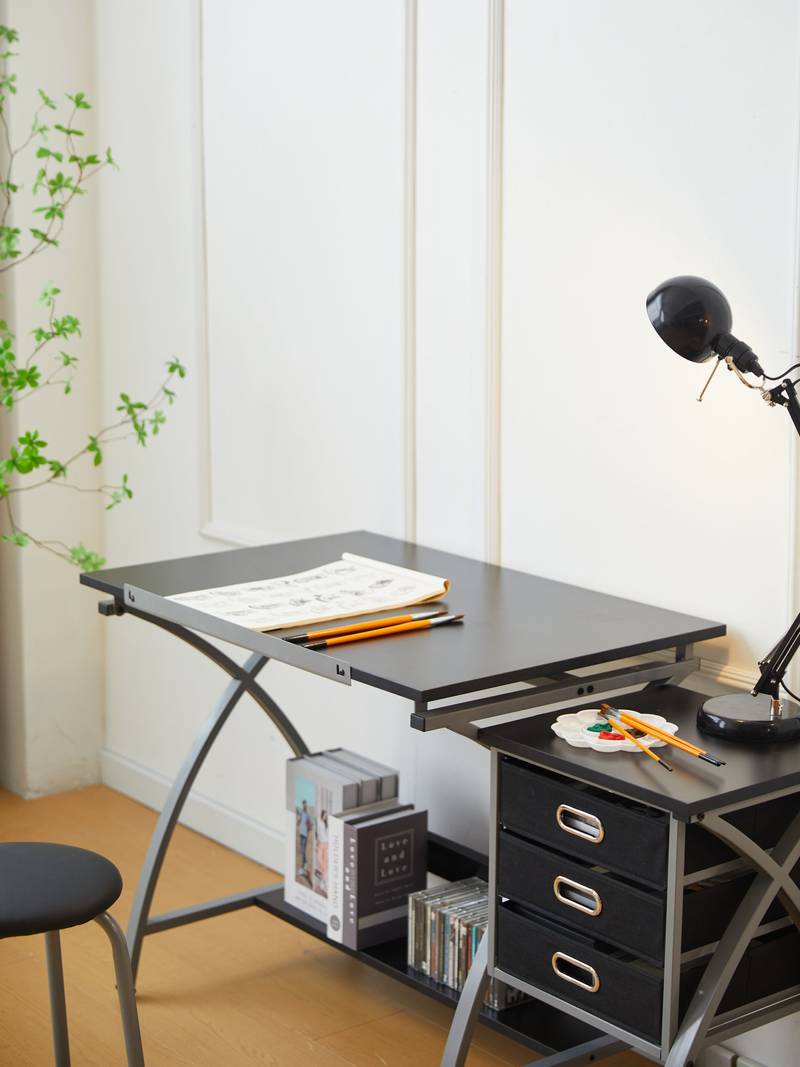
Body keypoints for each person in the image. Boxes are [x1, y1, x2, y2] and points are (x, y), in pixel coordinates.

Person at [298, 799, 313, 875]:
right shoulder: (301, 812)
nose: (305, 805)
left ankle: (304, 864)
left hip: (305, 834)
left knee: (303, 849)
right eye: (304, 804)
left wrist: (308, 828)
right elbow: (300, 820)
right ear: (303, 805)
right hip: (301, 832)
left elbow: (311, 823)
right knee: (302, 849)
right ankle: (304, 865)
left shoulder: (307, 814)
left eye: (306, 804)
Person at [316, 810, 329, 892]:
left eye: (326, 816)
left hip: (327, 844)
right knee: (319, 860)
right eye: (324, 815)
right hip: (321, 843)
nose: (325, 817)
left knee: (325, 863)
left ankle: (323, 882)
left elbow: (327, 833)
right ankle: (323, 880)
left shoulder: (326, 823)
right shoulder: (318, 821)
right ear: (322, 815)